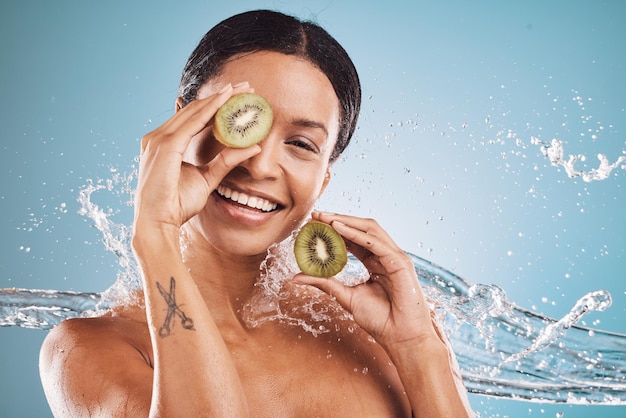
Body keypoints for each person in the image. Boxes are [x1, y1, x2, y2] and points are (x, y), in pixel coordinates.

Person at [39, 9, 474, 417]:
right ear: (180, 124)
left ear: (324, 178)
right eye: (240, 121)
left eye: (302, 144)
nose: (260, 165)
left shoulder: (383, 332)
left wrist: (419, 347)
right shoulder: (92, 350)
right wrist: (155, 235)